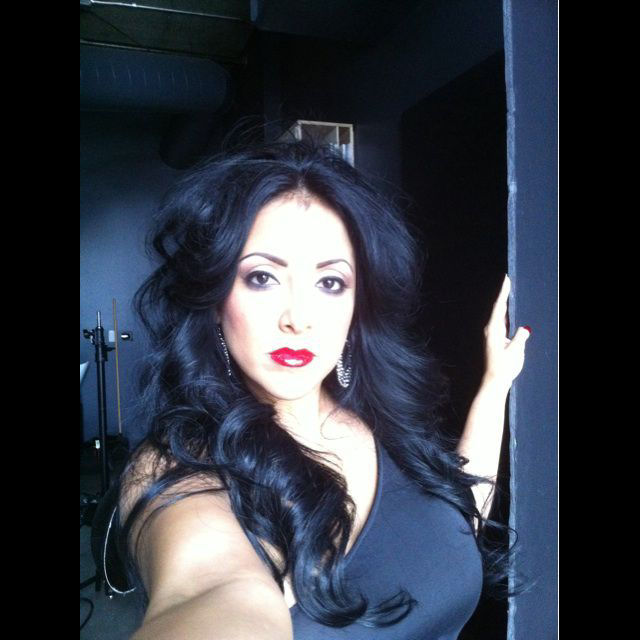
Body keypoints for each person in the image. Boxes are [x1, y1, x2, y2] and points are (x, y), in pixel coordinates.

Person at [116, 139, 531, 640]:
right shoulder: (180, 467)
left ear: (357, 305)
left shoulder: (382, 422)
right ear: (216, 296)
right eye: (262, 277)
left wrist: (494, 386)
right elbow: (210, 590)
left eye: (330, 283)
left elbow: (455, 525)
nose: (299, 318)